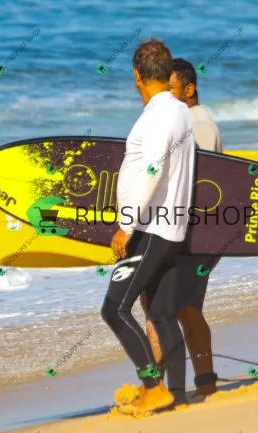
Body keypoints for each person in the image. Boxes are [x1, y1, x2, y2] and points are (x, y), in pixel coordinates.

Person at [101, 39, 196, 414]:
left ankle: (154, 387)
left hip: (151, 227)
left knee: (115, 309)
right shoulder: (180, 111)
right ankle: (177, 394)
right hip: (172, 227)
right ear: (169, 74)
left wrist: (127, 225)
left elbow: (153, 172)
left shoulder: (157, 116)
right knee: (161, 313)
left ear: (137, 76)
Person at [140, 58, 223, 400]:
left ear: (189, 90)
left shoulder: (196, 122)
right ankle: (203, 384)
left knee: (163, 307)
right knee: (183, 308)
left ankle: (159, 388)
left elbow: (200, 180)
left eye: (170, 89)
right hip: (192, 234)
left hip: (192, 236)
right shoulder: (187, 119)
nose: (164, 96)